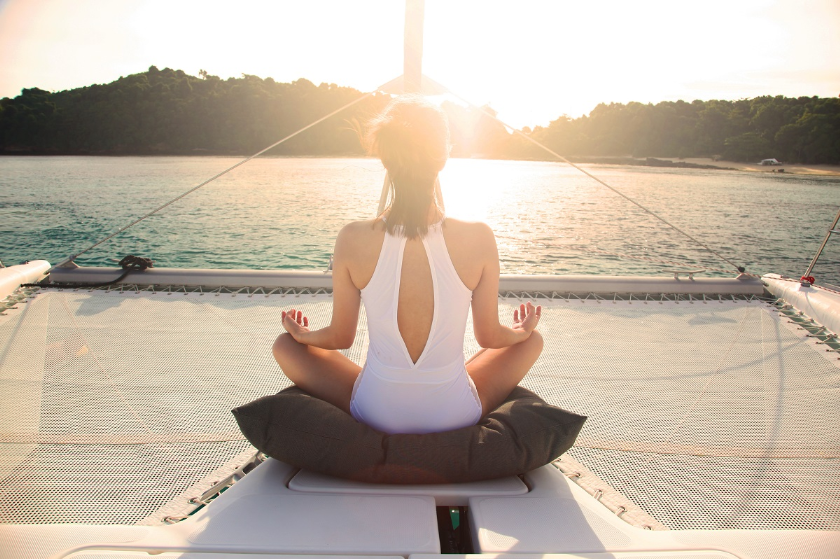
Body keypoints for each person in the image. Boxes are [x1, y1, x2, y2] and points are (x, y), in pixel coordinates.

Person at [272, 96, 543, 434]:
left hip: (376, 410)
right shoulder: (479, 236)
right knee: (532, 342)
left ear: (386, 157)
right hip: (454, 411)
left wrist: (303, 334)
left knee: (285, 346)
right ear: (443, 156)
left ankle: (395, 388)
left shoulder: (352, 237)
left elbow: (341, 337)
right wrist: (522, 331)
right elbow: (488, 335)